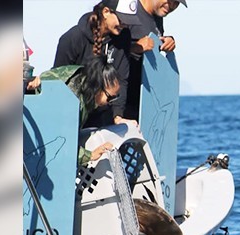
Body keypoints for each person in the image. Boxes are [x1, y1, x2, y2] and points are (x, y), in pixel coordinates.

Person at [54, 0, 141, 128]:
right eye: (122, 19)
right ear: (106, 12)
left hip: (104, 115)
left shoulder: (123, 36)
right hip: (73, 116)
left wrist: (118, 116)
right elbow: (58, 82)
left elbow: (121, 79)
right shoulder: (72, 38)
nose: (125, 24)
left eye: (129, 20)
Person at [41, 55, 122, 165]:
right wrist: (90, 155)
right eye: (110, 97)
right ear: (98, 87)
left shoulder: (82, 79)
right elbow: (59, 141)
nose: (110, 102)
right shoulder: (71, 97)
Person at [124, 0, 187, 120]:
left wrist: (167, 41)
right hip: (116, 105)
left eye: (176, 3)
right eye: (170, 0)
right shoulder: (127, 8)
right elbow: (105, 48)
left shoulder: (157, 15)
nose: (171, 6)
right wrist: (134, 47)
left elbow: (152, 45)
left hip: (142, 104)